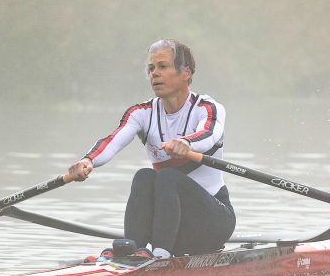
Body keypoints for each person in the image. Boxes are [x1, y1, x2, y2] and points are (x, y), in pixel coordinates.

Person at [67, 39, 236, 260]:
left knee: (167, 177)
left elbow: (208, 134)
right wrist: (87, 161)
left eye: (162, 66)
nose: (154, 73)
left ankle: (159, 256)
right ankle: (131, 251)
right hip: (172, 225)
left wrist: (186, 143)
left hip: (213, 222)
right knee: (144, 176)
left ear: (186, 73)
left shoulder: (207, 108)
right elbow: (112, 141)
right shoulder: (142, 113)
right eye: (151, 68)